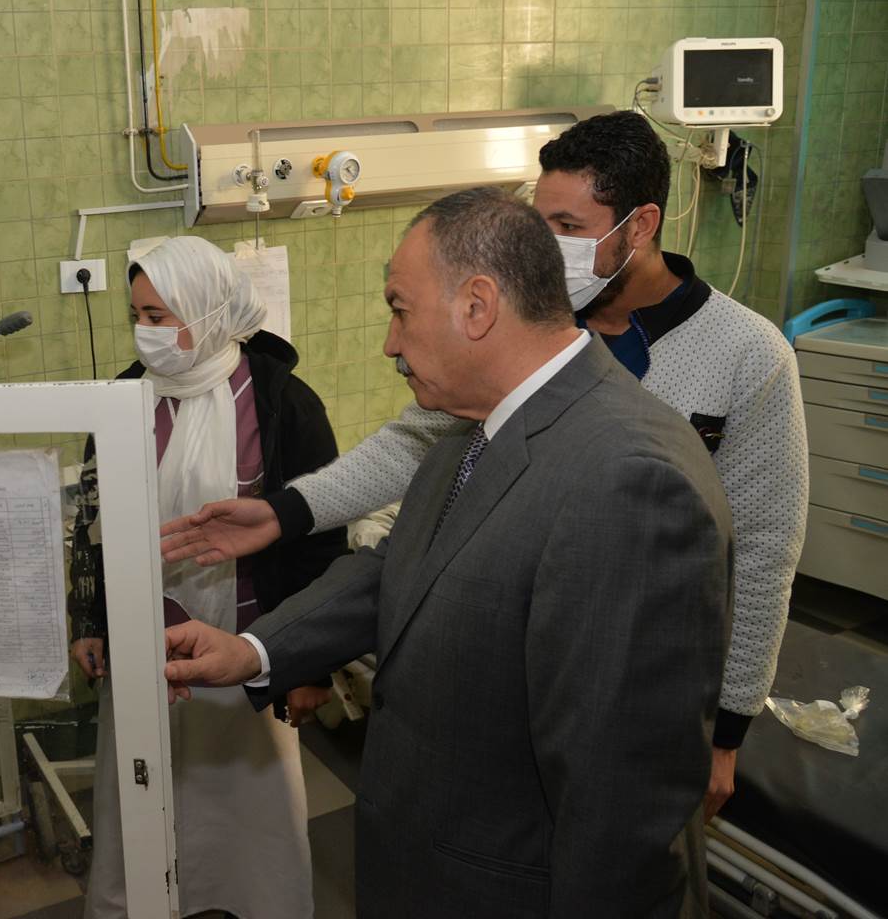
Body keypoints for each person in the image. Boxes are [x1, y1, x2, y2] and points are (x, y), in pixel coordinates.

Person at [159, 110, 808, 819]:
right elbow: (416, 446)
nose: (547, 247)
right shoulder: (537, 328)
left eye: (568, 226)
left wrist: (727, 729)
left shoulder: (746, 358)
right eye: (540, 222)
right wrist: (285, 513)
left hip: (634, 674)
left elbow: (765, 548)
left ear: (642, 225)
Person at [163, 187, 734, 918]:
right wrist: (254, 650)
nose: (390, 343)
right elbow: (399, 569)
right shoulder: (472, 433)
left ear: (477, 306)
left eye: (400, 310)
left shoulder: (629, 482)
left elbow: (621, 811)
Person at [67, 235, 347, 919]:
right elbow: (94, 519)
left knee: (250, 812)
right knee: (143, 792)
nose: (145, 333)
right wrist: (91, 621)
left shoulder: (283, 404)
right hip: (144, 642)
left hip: (245, 645)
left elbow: (319, 536)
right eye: (137, 316)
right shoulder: (125, 399)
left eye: (158, 316)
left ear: (207, 310)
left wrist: (308, 664)